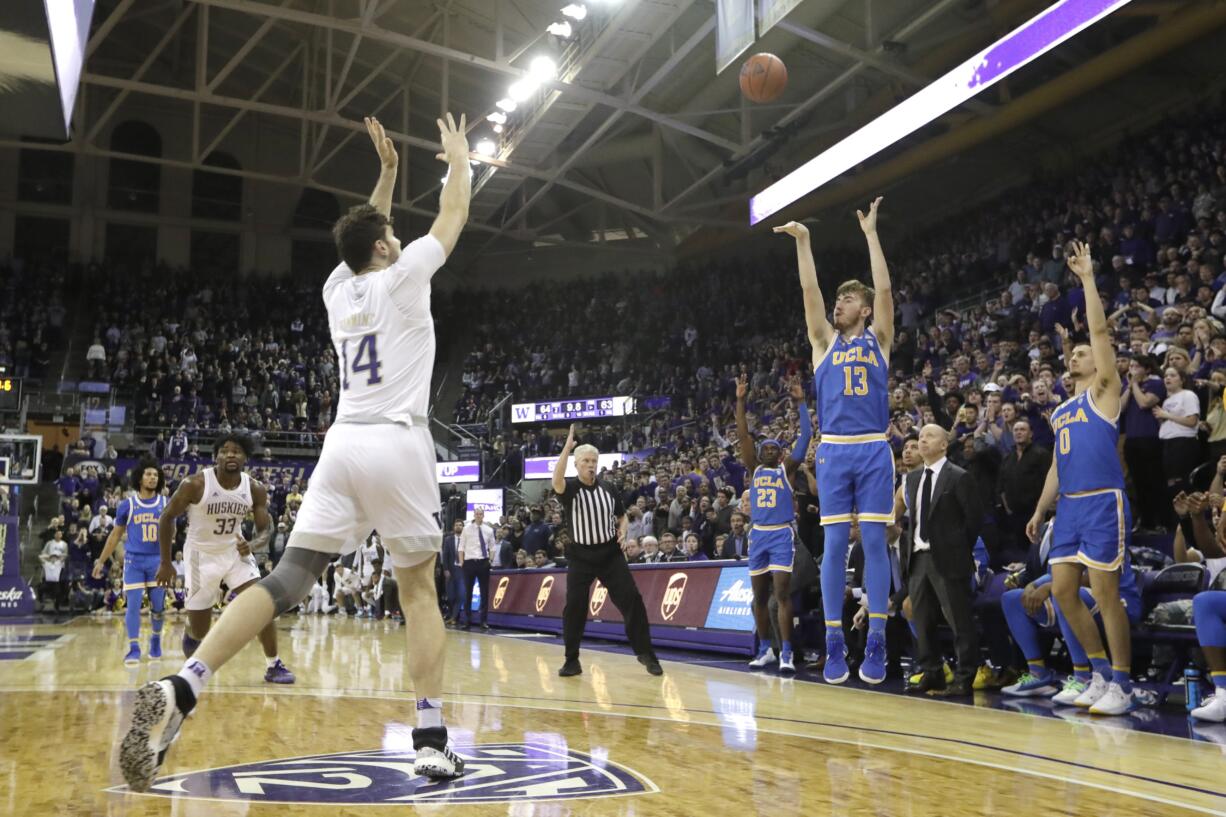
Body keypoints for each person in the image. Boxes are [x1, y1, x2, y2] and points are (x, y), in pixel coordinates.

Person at [118, 113, 473, 790]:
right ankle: (428, 737)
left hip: (340, 445)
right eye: (392, 237)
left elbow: (365, 235)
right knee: (418, 589)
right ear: (385, 250)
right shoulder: (404, 275)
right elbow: (452, 215)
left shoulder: (337, 290)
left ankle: (185, 683)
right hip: (398, 439)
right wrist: (458, 160)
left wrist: (390, 175)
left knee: (285, 577)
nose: (399, 239)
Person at [775, 196, 895, 685]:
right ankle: (833, 642)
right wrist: (804, 242)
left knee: (874, 542)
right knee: (831, 547)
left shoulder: (880, 340)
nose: (838, 304)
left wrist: (870, 234)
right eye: (838, 299)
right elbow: (809, 289)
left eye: (847, 299)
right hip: (835, 450)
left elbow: (885, 287)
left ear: (864, 310)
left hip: (872, 447)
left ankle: (878, 641)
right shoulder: (823, 344)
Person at [1026, 241, 1137, 716]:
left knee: (1107, 594)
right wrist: (1039, 509)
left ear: (1099, 364)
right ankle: (1095, 673)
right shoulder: (1062, 410)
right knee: (1067, 593)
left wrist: (1088, 280)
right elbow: (1055, 465)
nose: (1075, 357)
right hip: (1068, 506)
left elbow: (1096, 327)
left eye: (1083, 353)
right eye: (1072, 354)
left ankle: (1124, 685)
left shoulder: (1106, 393)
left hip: (1102, 502)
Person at [552, 424, 661, 678]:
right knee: (575, 606)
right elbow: (555, 481)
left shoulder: (609, 488)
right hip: (580, 555)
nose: (591, 464)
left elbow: (621, 517)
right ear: (577, 464)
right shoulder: (570, 489)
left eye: (594, 460)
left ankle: (646, 653)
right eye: (586, 461)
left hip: (610, 554)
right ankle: (571, 660)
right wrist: (567, 449)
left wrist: (622, 531)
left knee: (631, 600)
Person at [899, 425, 983, 696]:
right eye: (920, 437)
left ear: (944, 444)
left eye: (929, 437)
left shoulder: (959, 477)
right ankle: (932, 672)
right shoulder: (912, 480)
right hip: (918, 556)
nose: (922, 441)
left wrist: (956, 549)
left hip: (948, 559)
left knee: (959, 620)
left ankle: (964, 676)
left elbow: (973, 521)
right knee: (922, 621)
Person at [737, 374, 811, 673]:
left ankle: (787, 653)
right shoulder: (753, 468)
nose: (768, 451)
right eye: (764, 448)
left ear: (780, 453)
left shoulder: (787, 470)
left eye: (773, 449)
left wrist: (802, 403)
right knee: (758, 596)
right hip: (758, 535)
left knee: (781, 595)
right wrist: (741, 400)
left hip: (781, 534)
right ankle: (765, 649)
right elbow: (743, 435)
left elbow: (805, 438)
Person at [93, 459, 168, 665]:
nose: (152, 477)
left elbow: (174, 533)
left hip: (157, 561)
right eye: (148, 474)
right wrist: (101, 561)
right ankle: (134, 648)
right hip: (134, 561)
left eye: (155, 474)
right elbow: (115, 536)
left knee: (159, 608)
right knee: (133, 606)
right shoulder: (128, 505)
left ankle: (155, 640)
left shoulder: (165, 503)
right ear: (139, 478)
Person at [458, 508, 495, 630]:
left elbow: (492, 547)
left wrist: (490, 560)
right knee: (468, 592)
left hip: (483, 562)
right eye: (477, 514)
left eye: (481, 514)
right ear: (474, 515)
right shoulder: (466, 529)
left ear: (483, 516)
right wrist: (462, 562)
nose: (479, 516)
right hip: (469, 562)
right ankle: (467, 620)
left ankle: (483, 621)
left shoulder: (489, 530)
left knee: (485, 592)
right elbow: (461, 547)